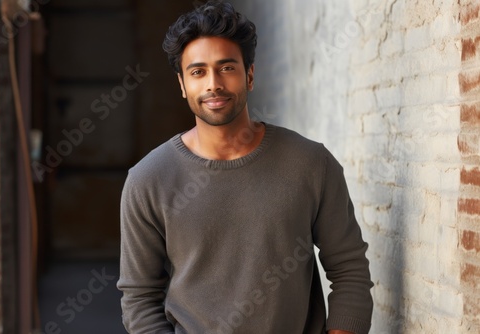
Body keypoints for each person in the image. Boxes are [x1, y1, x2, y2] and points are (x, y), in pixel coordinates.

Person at [117, 1, 373, 333]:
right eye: (198, 72)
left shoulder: (310, 163)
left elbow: (349, 269)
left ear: (249, 75)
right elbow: (139, 299)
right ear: (182, 85)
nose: (213, 84)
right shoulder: (147, 180)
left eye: (227, 67)